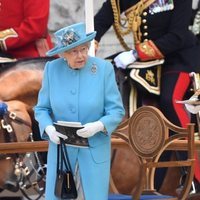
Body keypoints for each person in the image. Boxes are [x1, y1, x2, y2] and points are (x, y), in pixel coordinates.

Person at [94, 0, 200, 190]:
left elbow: (177, 36)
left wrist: (136, 53)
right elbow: (99, 23)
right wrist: (86, 48)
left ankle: (194, 175)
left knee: (171, 101)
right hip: (146, 64)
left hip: (178, 59)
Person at [34, 22, 125, 200]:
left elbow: (116, 111)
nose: (81, 55)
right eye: (74, 51)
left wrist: (99, 126)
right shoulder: (52, 70)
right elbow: (42, 109)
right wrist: (48, 129)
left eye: (84, 49)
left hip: (93, 153)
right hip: (61, 154)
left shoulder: (103, 69)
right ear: (62, 54)